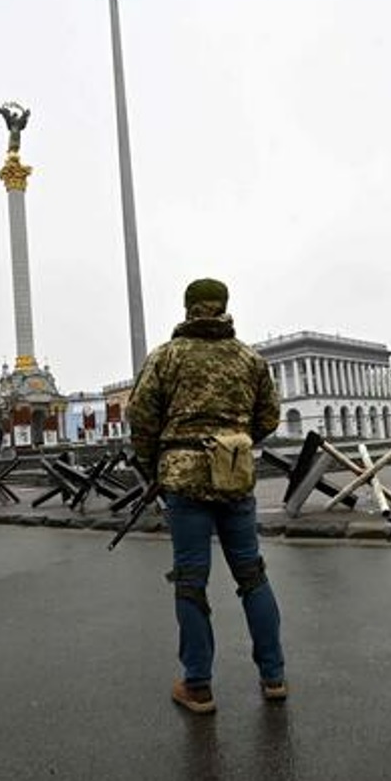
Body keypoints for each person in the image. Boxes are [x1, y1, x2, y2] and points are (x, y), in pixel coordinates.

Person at [128, 278, 286, 714]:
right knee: (252, 574)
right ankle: (273, 676)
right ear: (223, 307)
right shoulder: (249, 358)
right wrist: (234, 443)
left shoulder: (166, 356)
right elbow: (269, 417)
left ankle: (198, 685)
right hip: (234, 477)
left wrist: (155, 463)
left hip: (183, 481)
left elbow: (141, 417)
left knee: (191, 579)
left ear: (189, 308)